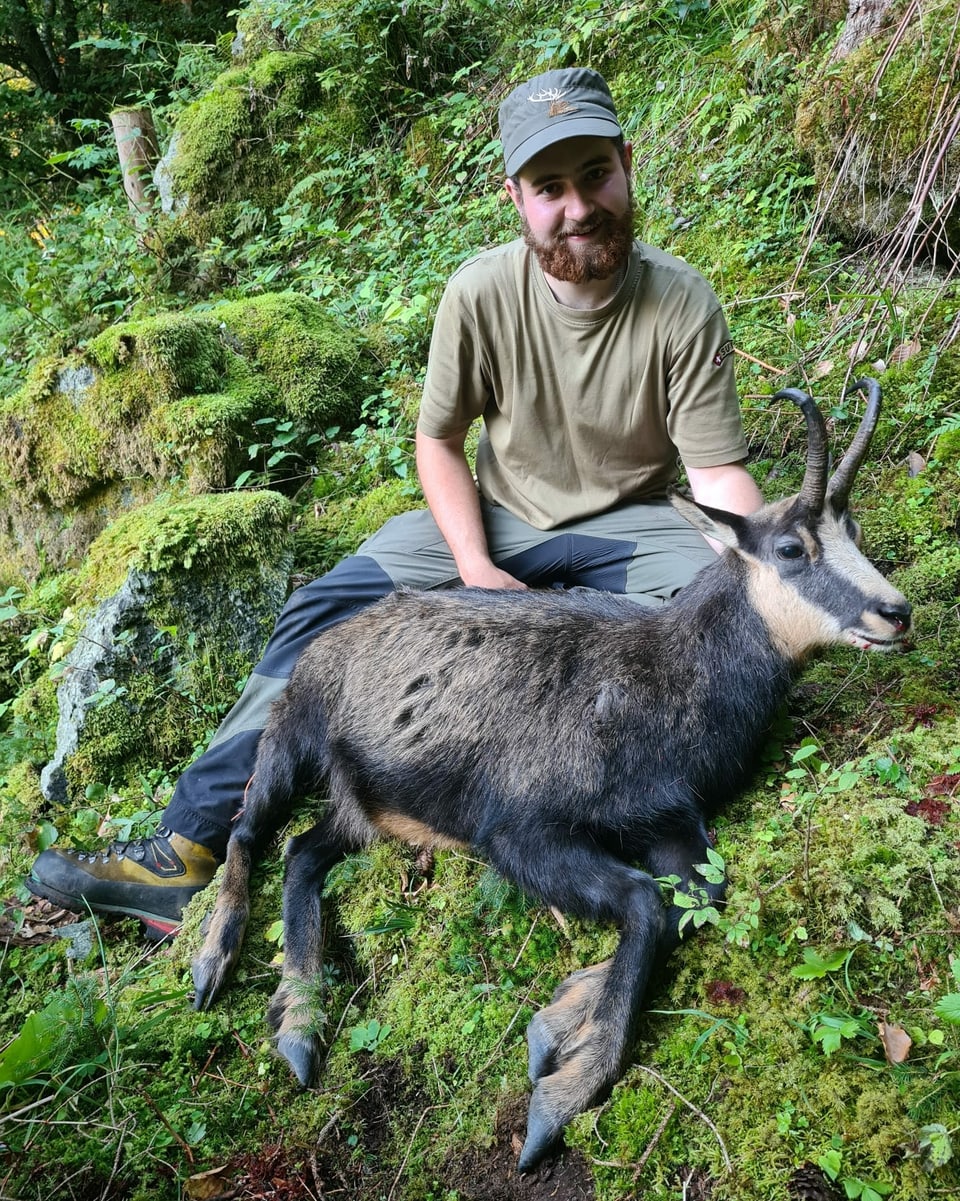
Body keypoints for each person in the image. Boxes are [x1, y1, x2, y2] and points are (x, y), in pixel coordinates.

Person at [26, 66, 764, 938]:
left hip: (630, 520)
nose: (578, 208)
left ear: (627, 164)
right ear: (515, 198)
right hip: (500, 511)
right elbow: (438, 442)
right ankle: (189, 846)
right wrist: (473, 567)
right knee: (323, 608)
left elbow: (716, 477)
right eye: (549, 189)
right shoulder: (481, 294)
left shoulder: (680, 302)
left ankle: (614, 808)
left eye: (595, 175)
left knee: (720, 612)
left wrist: (776, 566)